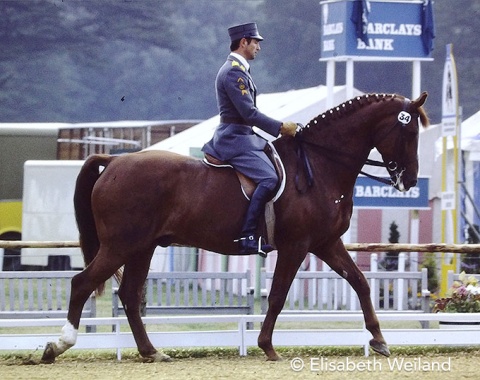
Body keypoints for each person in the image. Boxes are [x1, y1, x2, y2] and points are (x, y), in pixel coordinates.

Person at [202, 22, 297, 256]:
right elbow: (249, 113)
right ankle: (248, 235)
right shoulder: (234, 71)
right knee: (269, 178)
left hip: (243, 136)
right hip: (234, 138)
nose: (258, 47)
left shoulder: (239, 69)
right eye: (255, 42)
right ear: (243, 42)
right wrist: (281, 127)